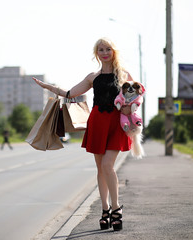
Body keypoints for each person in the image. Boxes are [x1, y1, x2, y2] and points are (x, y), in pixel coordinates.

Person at [32, 37, 135, 231]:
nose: (104, 52)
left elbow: (135, 96)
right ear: (96, 53)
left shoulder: (123, 75)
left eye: (108, 49)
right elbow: (70, 93)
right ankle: (105, 210)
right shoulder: (92, 77)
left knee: (107, 165)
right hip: (97, 123)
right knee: (100, 169)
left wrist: (130, 109)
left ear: (114, 51)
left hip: (116, 124)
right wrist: (48, 87)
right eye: (101, 49)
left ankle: (116, 208)